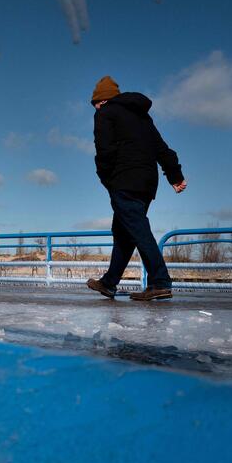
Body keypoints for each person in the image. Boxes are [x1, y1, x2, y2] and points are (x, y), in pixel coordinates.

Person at [85, 76, 187, 301]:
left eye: (96, 103)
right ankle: (109, 283)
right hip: (147, 182)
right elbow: (162, 149)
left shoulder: (105, 113)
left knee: (138, 229)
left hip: (124, 180)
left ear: (103, 100)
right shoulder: (143, 117)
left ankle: (160, 281)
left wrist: (108, 181)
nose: (95, 108)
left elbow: (104, 152)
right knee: (124, 233)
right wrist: (175, 176)